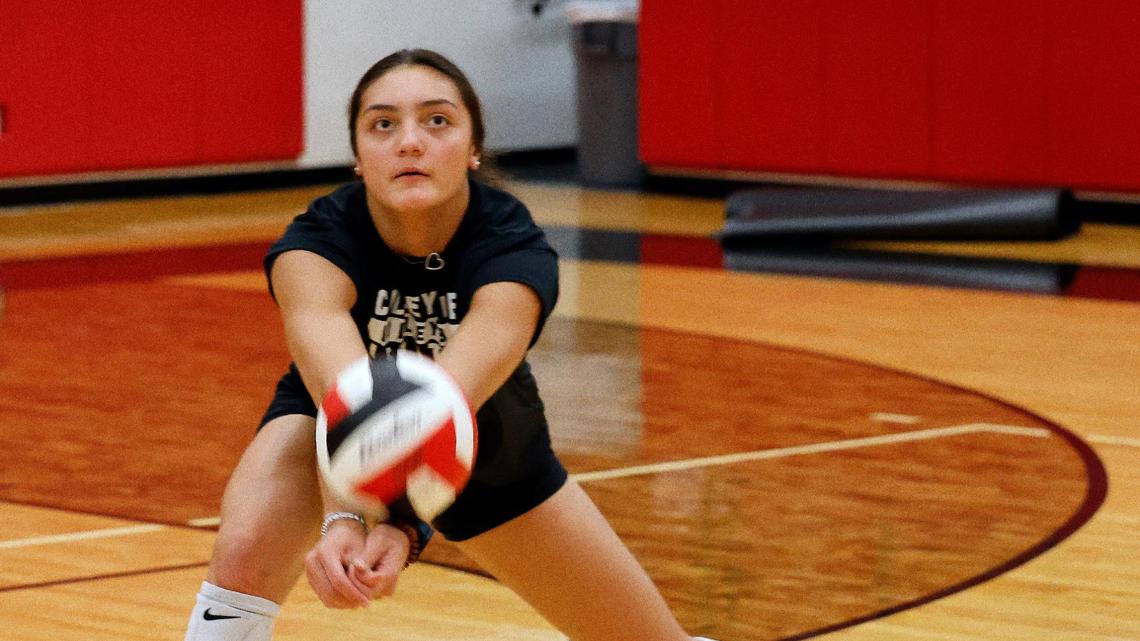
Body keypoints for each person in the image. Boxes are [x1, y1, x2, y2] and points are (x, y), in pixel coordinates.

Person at [183, 48, 715, 641]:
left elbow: (443, 400)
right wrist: (345, 517)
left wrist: (405, 525)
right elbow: (350, 402)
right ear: (358, 157)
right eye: (383, 124)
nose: (410, 142)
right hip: (335, 422)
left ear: (473, 148)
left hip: (488, 437)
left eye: (437, 121)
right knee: (244, 549)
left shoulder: (514, 248)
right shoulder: (312, 248)